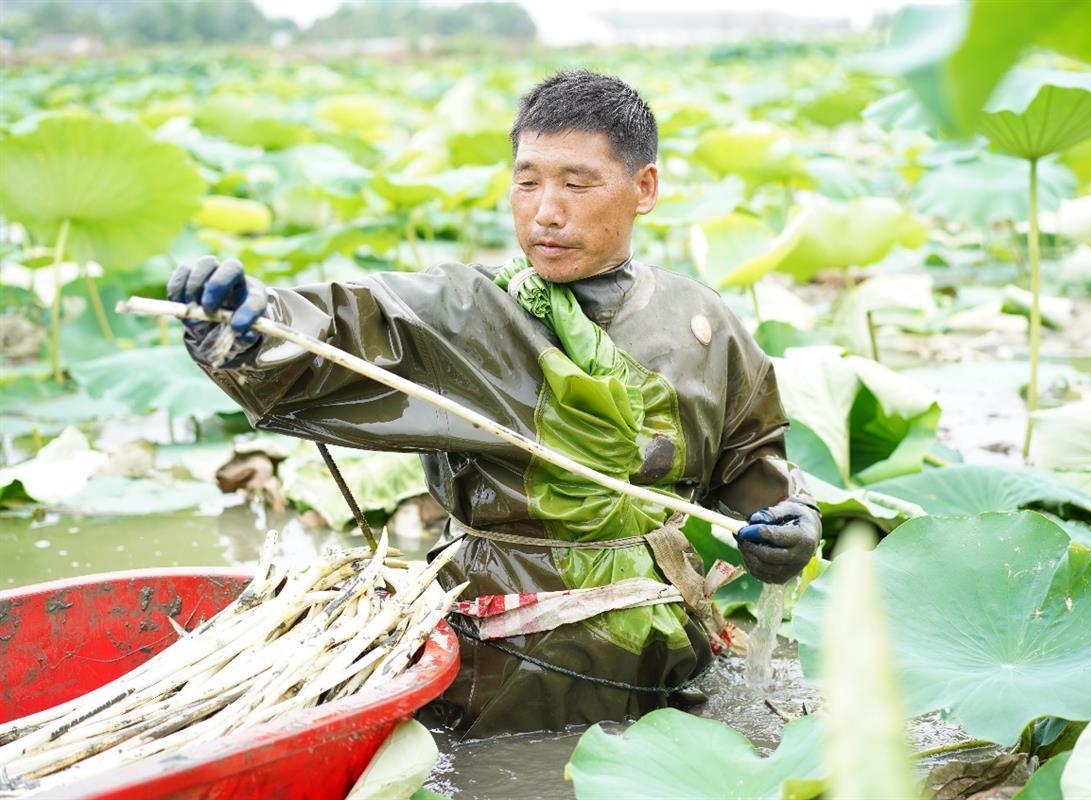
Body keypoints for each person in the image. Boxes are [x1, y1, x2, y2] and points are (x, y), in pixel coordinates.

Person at [170, 70, 821, 739]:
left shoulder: (698, 320)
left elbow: (752, 461)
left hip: (661, 644)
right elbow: (340, 325)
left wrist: (789, 526)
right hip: (500, 655)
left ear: (644, 189)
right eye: (527, 180)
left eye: (576, 182)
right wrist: (238, 320)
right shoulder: (468, 312)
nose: (545, 210)